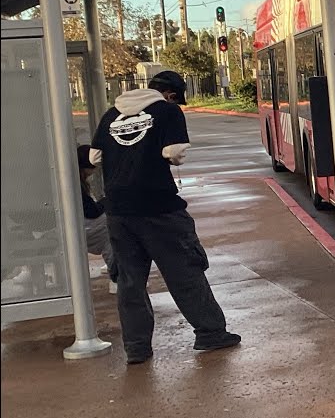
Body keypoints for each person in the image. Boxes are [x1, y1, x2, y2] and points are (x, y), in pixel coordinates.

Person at [89, 71, 240, 365]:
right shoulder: (167, 111)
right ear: (171, 94)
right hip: (159, 208)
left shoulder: (111, 115)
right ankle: (210, 332)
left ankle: (137, 348)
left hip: (119, 212)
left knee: (130, 281)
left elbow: (95, 158)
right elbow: (175, 153)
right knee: (185, 270)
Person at [77, 145, 115, 292]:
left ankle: (114, 268)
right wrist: (106, 201)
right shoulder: (77, 184)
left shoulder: (72, 179)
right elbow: (92, 212)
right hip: (82, 229)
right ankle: (117, 275)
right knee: (113, 227)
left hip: (75, 228)